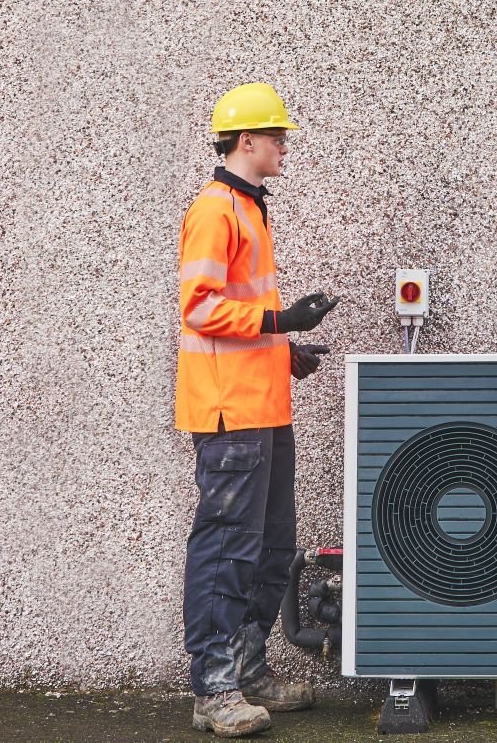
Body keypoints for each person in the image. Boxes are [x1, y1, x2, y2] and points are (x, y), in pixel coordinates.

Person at [176, 82, 338, 738]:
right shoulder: (217, 210)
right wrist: (279, 318)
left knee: (269, 551)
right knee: (225, 552)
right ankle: (213, 690)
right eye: (277, 137)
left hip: (264, 406)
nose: (284, 147)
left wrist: (284, 347)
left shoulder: (250, 209)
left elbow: (238, 320)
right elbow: (202, 307)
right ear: (247, 141)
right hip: (230, 415)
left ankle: (246, 673)